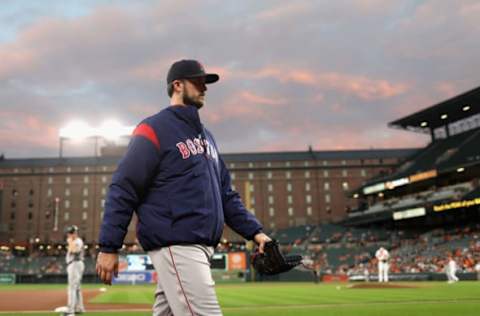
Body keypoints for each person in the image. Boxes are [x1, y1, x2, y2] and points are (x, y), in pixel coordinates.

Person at [96, 59, 271, 316]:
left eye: (205, 83)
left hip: (198, 247)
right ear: (177, 85)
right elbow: (124, 187)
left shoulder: (207, 137)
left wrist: (256, 233)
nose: (204, 88)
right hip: (177, 244)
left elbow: (226, 195)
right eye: (198, 81)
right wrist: (109, 246)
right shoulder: (154, 128)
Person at [65, 225, 85, 315]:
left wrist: (70, 242)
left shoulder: (77, 241)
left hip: (75, 264)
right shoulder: (74, 241)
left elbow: (75, 251)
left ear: (74, 233)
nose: (69, 235)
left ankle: (71, 311)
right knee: (77, 288)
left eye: (70, 233)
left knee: (72, 288)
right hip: (74, 264)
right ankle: (80, 308)